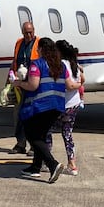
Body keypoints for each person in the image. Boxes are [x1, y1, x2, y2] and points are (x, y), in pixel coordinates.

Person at [11, 37, 68, 183]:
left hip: (41, 106)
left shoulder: (37, 64)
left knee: (32, 136)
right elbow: (67, 83)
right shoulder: (61, 65)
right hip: (57, 106)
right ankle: (35, 167)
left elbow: (33, 85)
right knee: (41, 136)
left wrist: (18, 82)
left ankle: (52, 164)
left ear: (42, 49)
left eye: (38, 49)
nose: (37, 51)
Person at [47, 39, 85, 175]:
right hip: (74, 104)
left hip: (63, 104)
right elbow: (82, 78)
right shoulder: (74, 63)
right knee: (67, 134)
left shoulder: (62, 64)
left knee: (47, 131)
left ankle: (48, 161)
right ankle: (72, 164)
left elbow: (68, 85)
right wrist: (79, 85)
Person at [8, 21, 39, 154]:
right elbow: (14, 61)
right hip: (20, 85)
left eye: (30, 32)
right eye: (26, 32)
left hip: (33, 85)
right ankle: (20, 143)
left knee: (32, 116)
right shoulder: (19, 43)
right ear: (22, 32)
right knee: (18, 115)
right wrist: (8, 81)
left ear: (34, 30)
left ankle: (34, 145)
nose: (28, 35)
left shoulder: (39, 43)